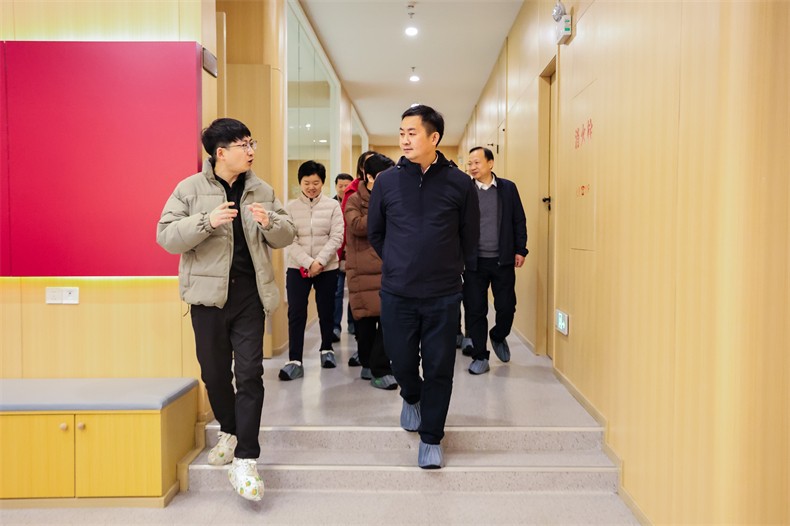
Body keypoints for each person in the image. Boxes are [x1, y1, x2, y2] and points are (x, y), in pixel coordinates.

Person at [156, 118, 296, 502]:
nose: (251, 151)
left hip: (250, 296)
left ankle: (246, 458)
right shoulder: (189, 189)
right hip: (207, 299)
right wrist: (206, 221)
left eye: (252, 143)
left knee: (250, 374)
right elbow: (166, 236)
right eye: (243, 145)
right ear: (221, 152)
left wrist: (270, 222)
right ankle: (230, 431)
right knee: (215, 374)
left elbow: (287, 233)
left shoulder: (261, 189)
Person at [368, 105, 479, 469]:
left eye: (412, 133)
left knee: (439, 367)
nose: (404, 139)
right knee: (400, 362)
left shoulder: (460, 183)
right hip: (397, 292)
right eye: (402, 132)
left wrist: (450, 270)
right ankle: (411, 396)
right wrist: (398, 262)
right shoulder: (386, 182)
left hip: (443, 294)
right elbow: (376, 233)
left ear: (434, 137)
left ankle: (431, 437)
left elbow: (469, 237)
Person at [462, 146, 528, 374]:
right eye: (470, 163)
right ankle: (480, 355)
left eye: (477, 162)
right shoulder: (465, 190)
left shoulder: (508, 188)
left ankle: (499, 335)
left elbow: (519, 220)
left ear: (490, 163)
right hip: (474, 263)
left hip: (503, 260)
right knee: (475, 310)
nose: (472, 167)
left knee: (507, 307)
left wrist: (521, 249)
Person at [279, 160, 345, 380]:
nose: (311, 187)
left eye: (315, 183)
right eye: (306, 183)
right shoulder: (290, 207)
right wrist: (308, 262)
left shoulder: (332, 206)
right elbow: (288, 239)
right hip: (297, 267)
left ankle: (327, 349)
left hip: (327, 267)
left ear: (322, 183)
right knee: (296, 311)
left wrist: (320, 262)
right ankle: (295, 360)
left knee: (326, 309)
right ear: (300, 183)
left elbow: (337, 237)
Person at [344, 153, 398, 389]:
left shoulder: (394, 196)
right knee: (365, 324)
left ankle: (380, 368)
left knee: (389, 321)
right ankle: (368, 361)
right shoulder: (354, 200)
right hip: (362, 271)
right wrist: (382, 211)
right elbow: (356, 226)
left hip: (389, 267)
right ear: (369, 177)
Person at [340, 150, 376, 366]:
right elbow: (353, 226)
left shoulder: (390, 194)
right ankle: (365, 356)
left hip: (384, 264)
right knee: (363, 314)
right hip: (361, 260)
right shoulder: (353, 195)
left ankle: (377, 360)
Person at [332, 173, 354, 343]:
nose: (344, 188)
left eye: (347, 185)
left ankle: (353, 324)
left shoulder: (355, 203)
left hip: (353, 256)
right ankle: (335, 327)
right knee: (337, 293)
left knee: (354, 292)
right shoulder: (332, 205)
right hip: (336, 257)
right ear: (336, 186)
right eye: (340, 185)